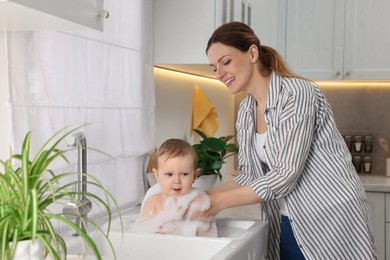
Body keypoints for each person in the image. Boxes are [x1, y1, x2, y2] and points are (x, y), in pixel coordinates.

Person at [200, 21, 377, 259]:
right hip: (285, 218)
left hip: (331, 217)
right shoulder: (245, 111)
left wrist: (217, 203)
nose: (220, 74)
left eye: (226, 62)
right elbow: (249, 176)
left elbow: (285, 175)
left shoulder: (297, 94)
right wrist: (199, 197)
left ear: (252, 53)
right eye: (214, 68)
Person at [131, 138, 217, 237]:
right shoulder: (153, 202)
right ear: (157, 175)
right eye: (169, 174)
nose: (177, 181)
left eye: (184, 174)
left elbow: (206, 236)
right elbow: (141, 233)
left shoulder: (197, 201)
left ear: (195, 175)